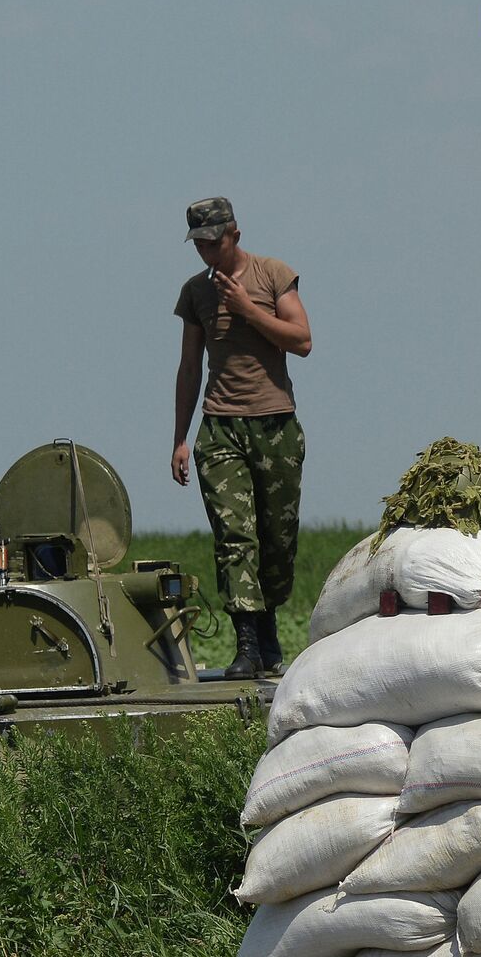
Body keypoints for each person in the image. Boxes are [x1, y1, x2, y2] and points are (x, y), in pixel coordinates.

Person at [170, 196, 312, 680]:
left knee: (276, 542)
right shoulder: (195, 293)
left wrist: (248, 310)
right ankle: (247, 645)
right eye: (199, 245)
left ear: (235, 234)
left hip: (276, 426)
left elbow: (302, 340)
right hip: (220, 428)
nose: (207, 253)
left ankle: (269, 638)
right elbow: (190, 367)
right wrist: (180, 438)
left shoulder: (274, 275)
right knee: (235, 539)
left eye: (213, 242)